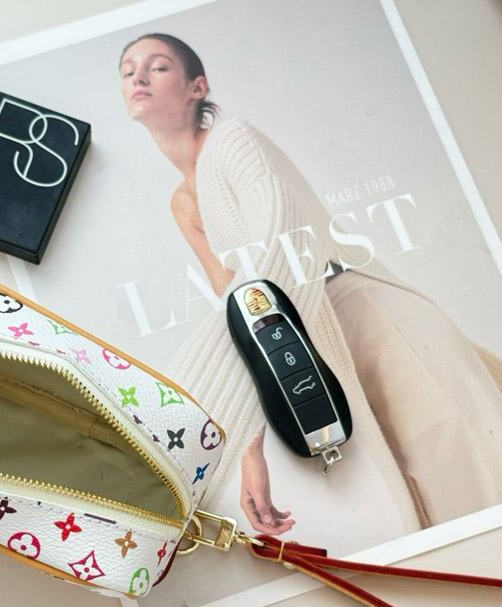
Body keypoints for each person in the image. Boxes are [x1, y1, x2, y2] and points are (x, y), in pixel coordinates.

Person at [119, 33, 502, 535]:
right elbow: (240, 322)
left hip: (364, 314)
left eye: (157, 66)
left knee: (471, 474)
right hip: (319, 352)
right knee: (425, 505)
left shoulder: (232, 139)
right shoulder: (182, 204)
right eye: (128, 70)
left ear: (197, 87)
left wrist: (206, 417)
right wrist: (250, 450)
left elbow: (273, 263)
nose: (139, 76)